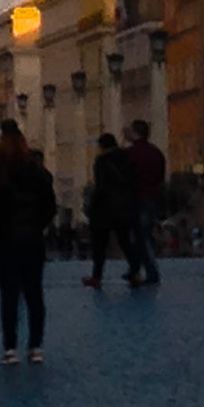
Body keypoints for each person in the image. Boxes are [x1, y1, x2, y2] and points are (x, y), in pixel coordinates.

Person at [0, 121, 56, 364]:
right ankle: (36, 347)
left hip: (8, 239)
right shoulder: (37, 173)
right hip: (33, 239)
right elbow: (50, 206)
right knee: (34, 293)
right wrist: (38, 226)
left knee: (9, 296)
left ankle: (10, 348)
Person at [82, 133, 140, 289]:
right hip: (124, 206)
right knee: (125, 241)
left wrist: (91, 205)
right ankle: (135, 271)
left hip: (105, 209)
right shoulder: (126, 158)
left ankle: (97, 277)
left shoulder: (101, 161)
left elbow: (101, 187)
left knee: (99, 244)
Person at [125, 120, 166, 287]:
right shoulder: (156, 153)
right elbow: (160, 177)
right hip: (152, 197)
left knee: (141, 237)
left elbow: (126, 177)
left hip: (136, 199)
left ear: (135, 133)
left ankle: (150, 272)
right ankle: (138, 270)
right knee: (144, 235)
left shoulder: (130, 153)